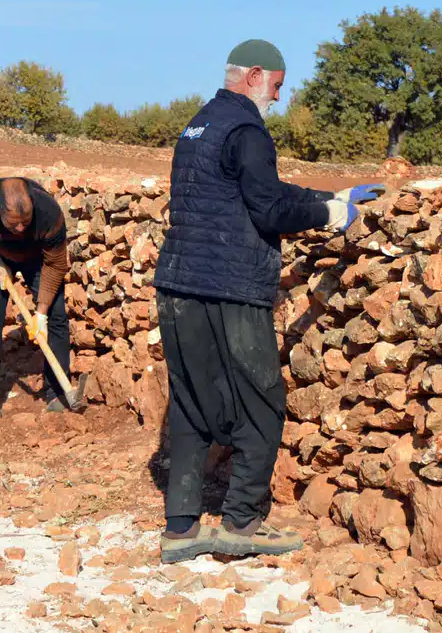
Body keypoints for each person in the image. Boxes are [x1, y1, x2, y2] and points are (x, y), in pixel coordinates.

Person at [151, 39, 385, 563]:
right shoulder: (247, 129)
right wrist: (330, 219)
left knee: (189, 400)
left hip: (178, 284)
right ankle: (240, 525)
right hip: (230, 288)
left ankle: (181, 529)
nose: (278, 98)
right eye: (277, 86)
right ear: (255, 75)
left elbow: (252, 191)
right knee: (262, 401)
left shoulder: (199, 126)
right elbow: (267, 209)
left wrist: (330, 198)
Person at [0, 176, 80, 425]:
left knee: (56, 318)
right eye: (14, 224)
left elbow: (56, 264)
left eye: (26, 222)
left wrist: (41, 314)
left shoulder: (49, 213)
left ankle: (56, 393)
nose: (21, 229)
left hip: (38, 258)